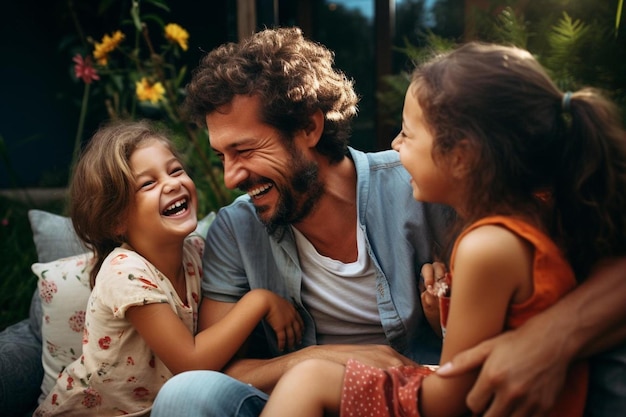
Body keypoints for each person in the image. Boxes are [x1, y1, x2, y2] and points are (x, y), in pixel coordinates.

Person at [151, 28, 626, 417]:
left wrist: (543, 340)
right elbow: (220, 370)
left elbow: (580, 254)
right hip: (315, 396)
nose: (231, 176)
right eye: (221, 155)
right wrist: (322, 360)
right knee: (188, 394)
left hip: (424, 389)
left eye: (246, 150)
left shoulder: (433, 187)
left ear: (309, 128)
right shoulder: (236, 229)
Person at [34, 120, 303, 416]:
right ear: (116, 221)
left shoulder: (198, 253)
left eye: (175, 170)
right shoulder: (125, 273)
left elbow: (219, 352)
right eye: (148, 184)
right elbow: (192, 363)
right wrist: (259, 300)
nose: (173, 183)